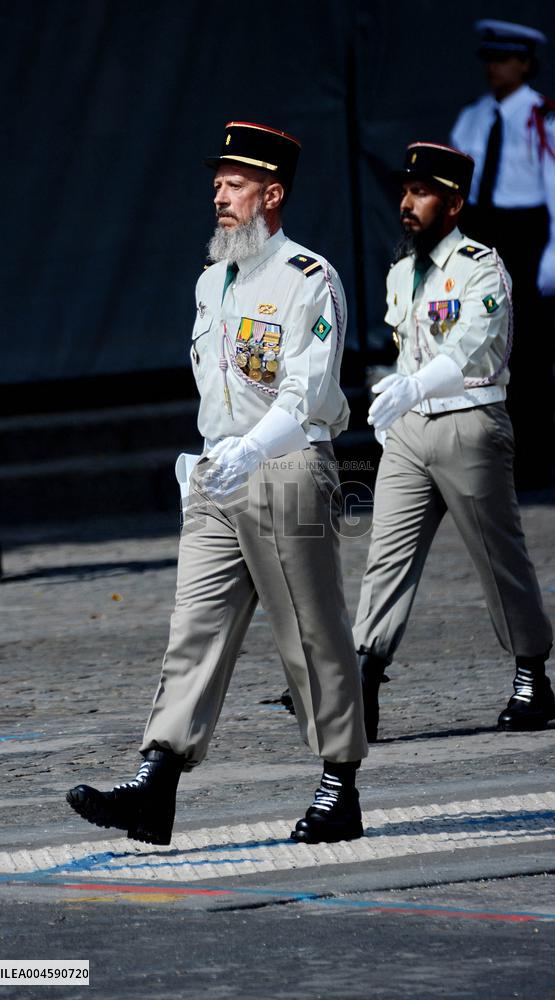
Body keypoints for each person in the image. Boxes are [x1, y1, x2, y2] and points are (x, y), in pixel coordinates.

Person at [66, 121, 368, 846]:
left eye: (234, 185)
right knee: (191, 629)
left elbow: (305, 392)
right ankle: (156, 780)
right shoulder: (212, 280)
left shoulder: (309, 280)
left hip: (287, 468)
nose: (219, 196)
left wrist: (254, 449)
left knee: (309, 631)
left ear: (272, 194)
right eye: (217, 185)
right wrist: (214, 458)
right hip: (214, 473)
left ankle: (339, 782)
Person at [353, 141, 554, 742]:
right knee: (386, 556)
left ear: (455, 203)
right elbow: (406, 349)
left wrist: (410, 386)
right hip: (411, 432)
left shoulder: (481, 267)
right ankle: (362, 676)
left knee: (499, 556)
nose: (407, 205)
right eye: (405, 193)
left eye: (422, 193)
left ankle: (530, 673)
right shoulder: (399, 271)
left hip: (470, 423)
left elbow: (468, 347)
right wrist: (394, 403)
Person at [450, 19, 555, 487]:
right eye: (489, 59)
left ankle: (531, 461)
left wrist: (551, 253)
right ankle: (480, 457)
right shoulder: (473, 117)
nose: (494, 68)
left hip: (526, 233)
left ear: (526, 64)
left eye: (504, 59)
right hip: (480, 230)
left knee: (526, 351)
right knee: (474, 341)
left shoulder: (543, 118)